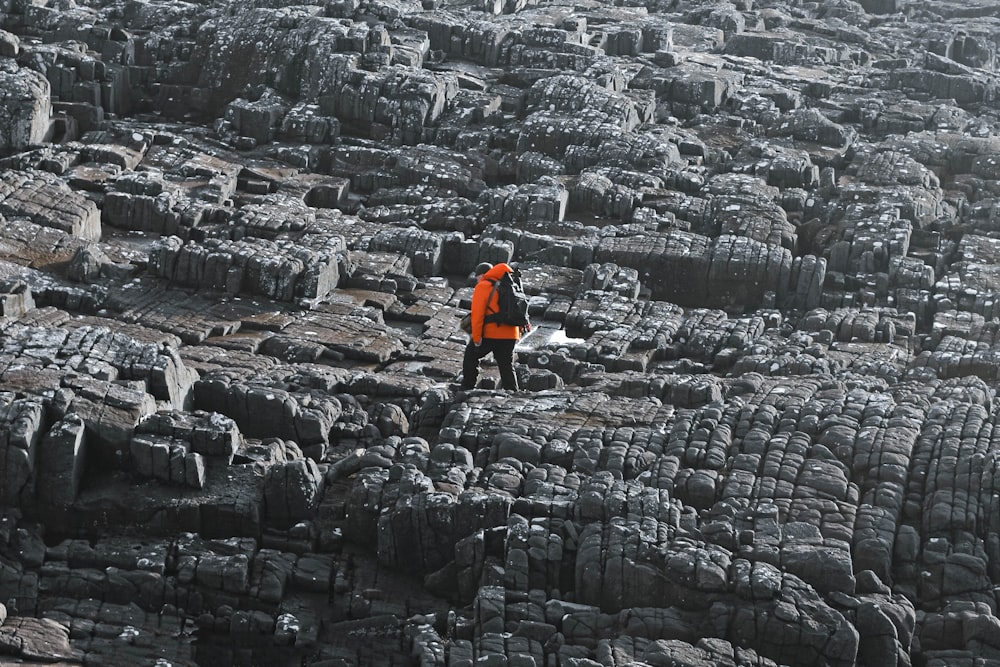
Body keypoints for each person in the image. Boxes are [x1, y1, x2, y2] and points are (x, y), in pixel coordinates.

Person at [461, 262, 528, 390]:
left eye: (477, 277)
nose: (477, 280)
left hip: (491, 333)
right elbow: (518, 311)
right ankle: (512, 392)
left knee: (470, 356)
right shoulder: (511, 284)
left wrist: (476, 338)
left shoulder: (484, 286)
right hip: (511, 333)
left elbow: (478, 315)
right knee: (506, 365)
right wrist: (519, 331)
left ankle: (467, 387)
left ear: (483, 275)